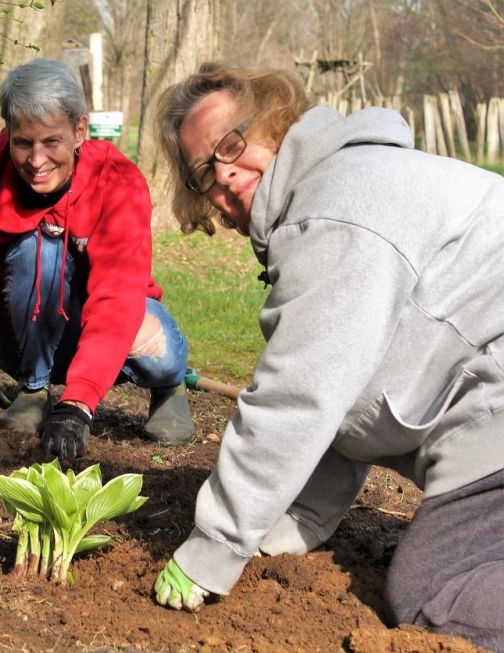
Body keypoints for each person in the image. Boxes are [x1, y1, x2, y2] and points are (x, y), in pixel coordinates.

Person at [150, 62, 504, 652]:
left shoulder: (336, 211)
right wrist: (300, 520)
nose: (226, 174)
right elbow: (348, 386)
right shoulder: (349, 187)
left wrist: (216, 546)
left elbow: (299, 397)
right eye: (202, 174)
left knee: (437, 594)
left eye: (232, 144)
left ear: (277, 124)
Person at [0, 57, 193, 462]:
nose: (36, 160)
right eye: (23, 143)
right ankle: (34, 389)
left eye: (51, 142)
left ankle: (169, 388)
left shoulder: (117, 182)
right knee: (37, 244)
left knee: (161, 353)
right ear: (7, 133)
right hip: (26, 340)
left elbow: (116, 300)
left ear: (79, 130)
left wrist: (78, 404)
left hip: (110, 330)